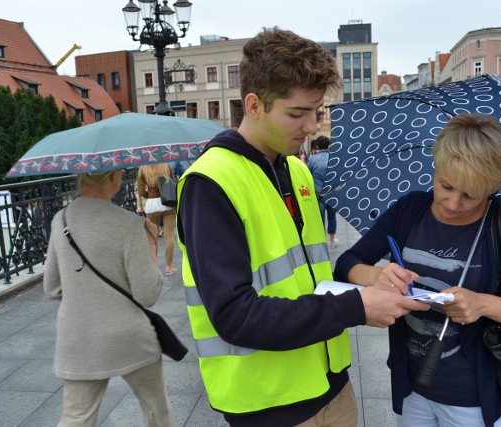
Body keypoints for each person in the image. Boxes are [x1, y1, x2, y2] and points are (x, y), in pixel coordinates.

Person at [176, 27, 429, 427]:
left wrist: (369, 280)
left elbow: (308, 276)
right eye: (297, 113)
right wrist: (357, 306)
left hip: (328, 381)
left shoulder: (296, 169)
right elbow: (234, 316)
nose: (311, 126)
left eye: (317, 111)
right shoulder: (210, 183)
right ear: (254, 105)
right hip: (269, 401)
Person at [334, 113, 501, 427]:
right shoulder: (410, 209)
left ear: (492, 188)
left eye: (471, 195)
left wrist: (482, 304)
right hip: (412, 385)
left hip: (474, 399)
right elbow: (347, 263)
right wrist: (376, 276)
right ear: (436, 167)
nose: (453, 204)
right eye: (446, 186)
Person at [43, 170, 175, 427]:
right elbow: (147, 294)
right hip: (128, 337)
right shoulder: (127, 223)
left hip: (78, 339)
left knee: (76, 418)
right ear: (114, 178)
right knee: (156, 410)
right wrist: (151, 247)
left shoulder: (61, 221)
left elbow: (52, 287)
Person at [137, 163, 177, 275]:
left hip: (152, 204)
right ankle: (169, 267)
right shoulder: (166, 167)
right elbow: (172, 183)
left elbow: (141, 192)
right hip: (168, 202)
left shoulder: (142, 169)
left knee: (152, 238)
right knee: (169, 236)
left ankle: (153, 267)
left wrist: (149, 194)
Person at [305, 135, 338, 248]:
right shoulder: (334, 159)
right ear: (329, 146)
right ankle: (332, 241)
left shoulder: (312, 159)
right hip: (332, 193)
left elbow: (306, 175)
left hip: (318, 194)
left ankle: (321, 241)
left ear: (318, 146)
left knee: (319, 218)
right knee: (332, 217)